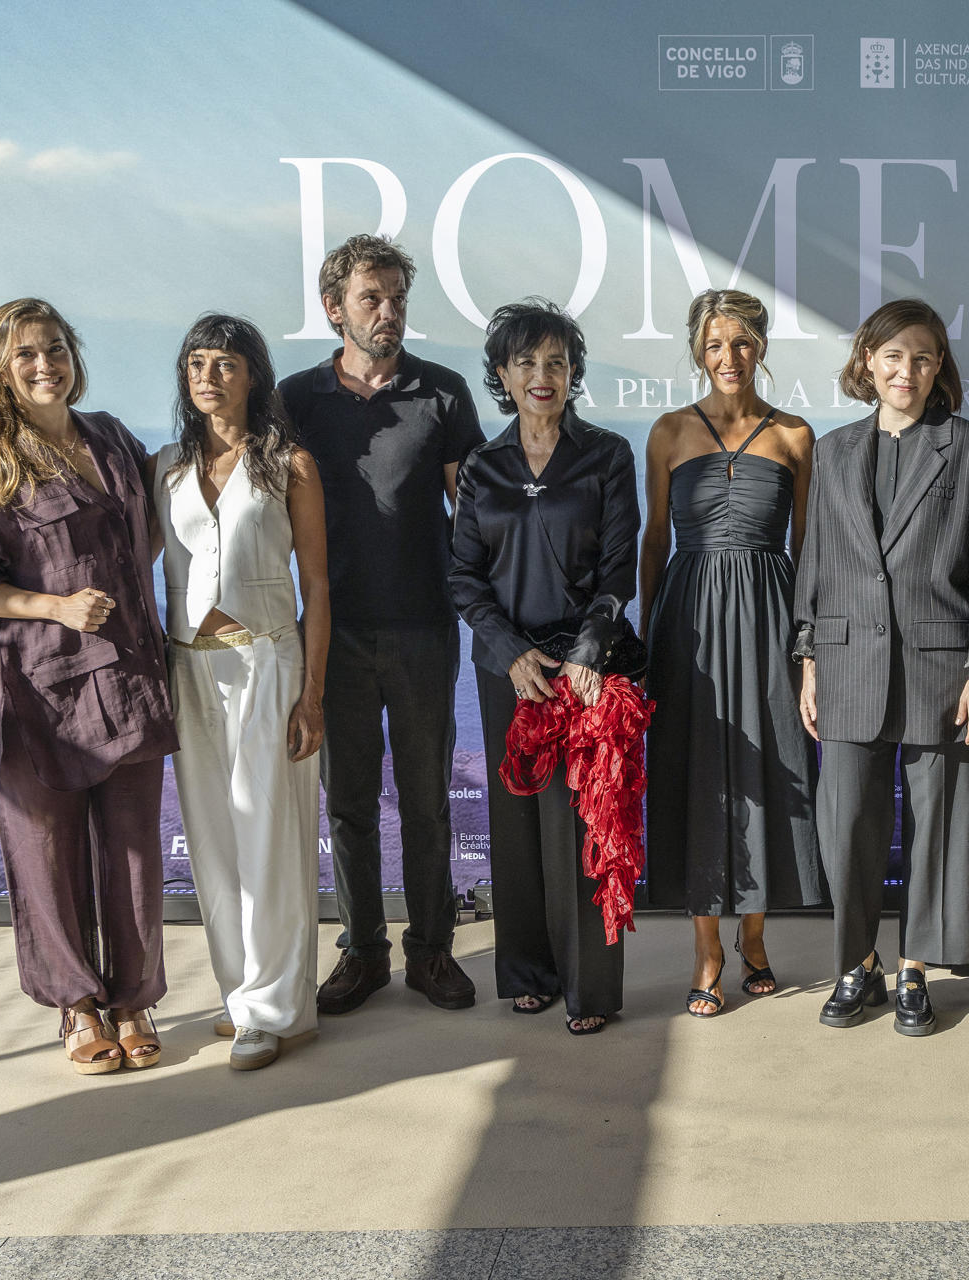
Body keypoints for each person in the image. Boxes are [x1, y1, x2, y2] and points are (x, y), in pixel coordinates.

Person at [0, 298, 176, 1073]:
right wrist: (57, 606)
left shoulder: (111, 438)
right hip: (33, 689)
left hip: (128, 681)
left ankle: (132, 999)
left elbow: (151, 532)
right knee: (45, 852)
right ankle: (76, 1006)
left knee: (134, 850)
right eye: (28, 353)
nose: (46, 365)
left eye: (57, 349)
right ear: (1, 366)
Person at [279, 236, 485, 1016]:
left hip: (426, 628)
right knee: (349, 803)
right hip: (332, 635)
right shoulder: (295, 399)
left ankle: (431, 950)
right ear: (335, 309)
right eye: (372, 298)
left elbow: (471, 512)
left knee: (428, 800)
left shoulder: (444, 392)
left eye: (397, 297)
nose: (389, 312)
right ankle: (362, 952)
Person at [795, 298, 969, 1036]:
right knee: (848, 823)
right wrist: (808, 658)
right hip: (848, 661)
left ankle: (916, 966)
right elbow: (814, 563)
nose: (905, 371)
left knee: (936, 826)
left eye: (921, 357)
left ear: (939, 366)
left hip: (940, 669)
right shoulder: (832, 452)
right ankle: (859, 964)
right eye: (891, 356)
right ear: (867, 362)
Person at [449, 299, 638, 1035]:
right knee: (518, 824)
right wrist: (507, 651)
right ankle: (527, 971)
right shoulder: (483, 467)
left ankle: (590, 989)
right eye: (525, 362)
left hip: (584, 670)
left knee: (583, 827)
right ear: (502, 374)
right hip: (509, 670)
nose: (542, 375)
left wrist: (586, 653)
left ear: (572, 372)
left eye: (556, 362)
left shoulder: (606, 456)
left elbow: (619, 569)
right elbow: (464, 576)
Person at [639, 289, 825, 1017]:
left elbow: (807, 551)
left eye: (743, 343)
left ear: (762, 348)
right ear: (696, 349)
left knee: (768, 771)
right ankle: (707, 949)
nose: (729, 358)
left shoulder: (795, 436)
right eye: (715, 345)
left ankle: (756, 937)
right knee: (696, 776)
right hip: (687, 623)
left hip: (771, 618)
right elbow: (656, 542)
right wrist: (647, 636)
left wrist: (808, 648)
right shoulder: (667, 433)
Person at [155, 315, 329, 1069]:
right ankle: (241, 996)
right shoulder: (162, 465)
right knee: (215, 844)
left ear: (252, 375)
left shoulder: (290, 464)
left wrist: (312, 694)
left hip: (266, 661)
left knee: (270, 837)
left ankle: (276, 1008)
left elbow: (318, 586)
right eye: (197, 363)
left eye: (224, 363)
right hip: (188, 666)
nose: (208, 376)